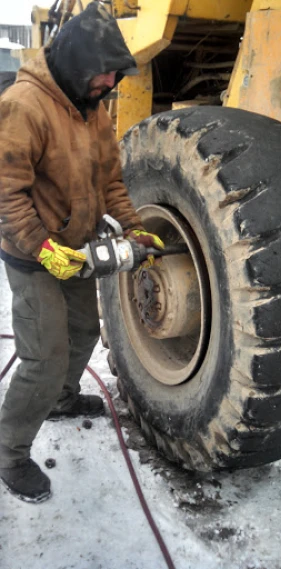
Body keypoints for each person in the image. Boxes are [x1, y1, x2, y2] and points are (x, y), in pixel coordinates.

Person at [0, 1, 164, 503]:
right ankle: (9, 453)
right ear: (75, 64)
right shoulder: (24, 104)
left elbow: (110, 181)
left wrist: (136, 230)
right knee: (43, 357)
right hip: (34, 254)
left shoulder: (93, 111)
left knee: (83, 331)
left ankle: (62, 401)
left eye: (115, 76)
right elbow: (6, 191)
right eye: (104, 75)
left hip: (75, 248)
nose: (110, 84)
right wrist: (42, 247)